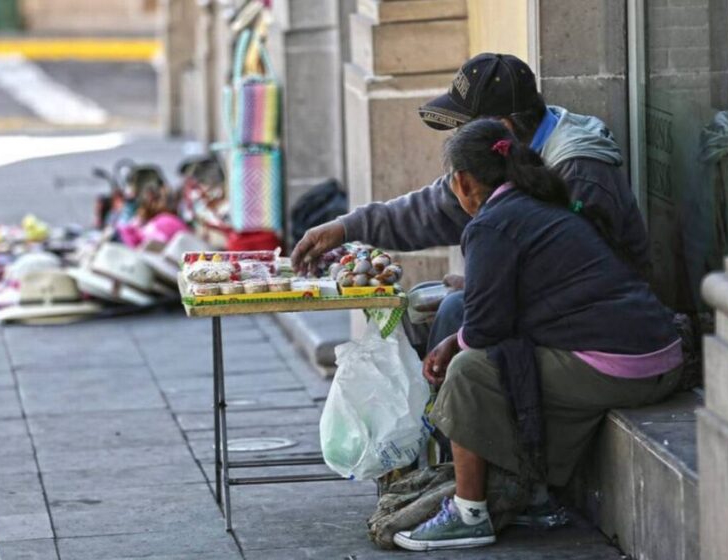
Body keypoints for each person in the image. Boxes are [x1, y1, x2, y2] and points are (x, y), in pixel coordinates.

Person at [389, 119, 682, 551]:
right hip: (659, 355)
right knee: (507, 358)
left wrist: (453, 344)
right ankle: (533, 496)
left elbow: (485, 330)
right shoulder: (540, 203)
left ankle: (470, 513)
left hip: (625, 365)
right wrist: (459, 337)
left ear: (462, 181)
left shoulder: (492, 224)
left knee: (470, 371)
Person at [291, 53, 649, 353]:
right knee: (417, 308)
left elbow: (586, 276)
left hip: (600, 326)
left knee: (453, 315)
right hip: (548, 302)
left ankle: (454, 432)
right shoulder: (504, 155)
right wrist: (346, 227)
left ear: (500, 126)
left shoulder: (579, 169)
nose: (456, 138)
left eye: (462, 128)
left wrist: (491, 289)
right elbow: (434, 207)